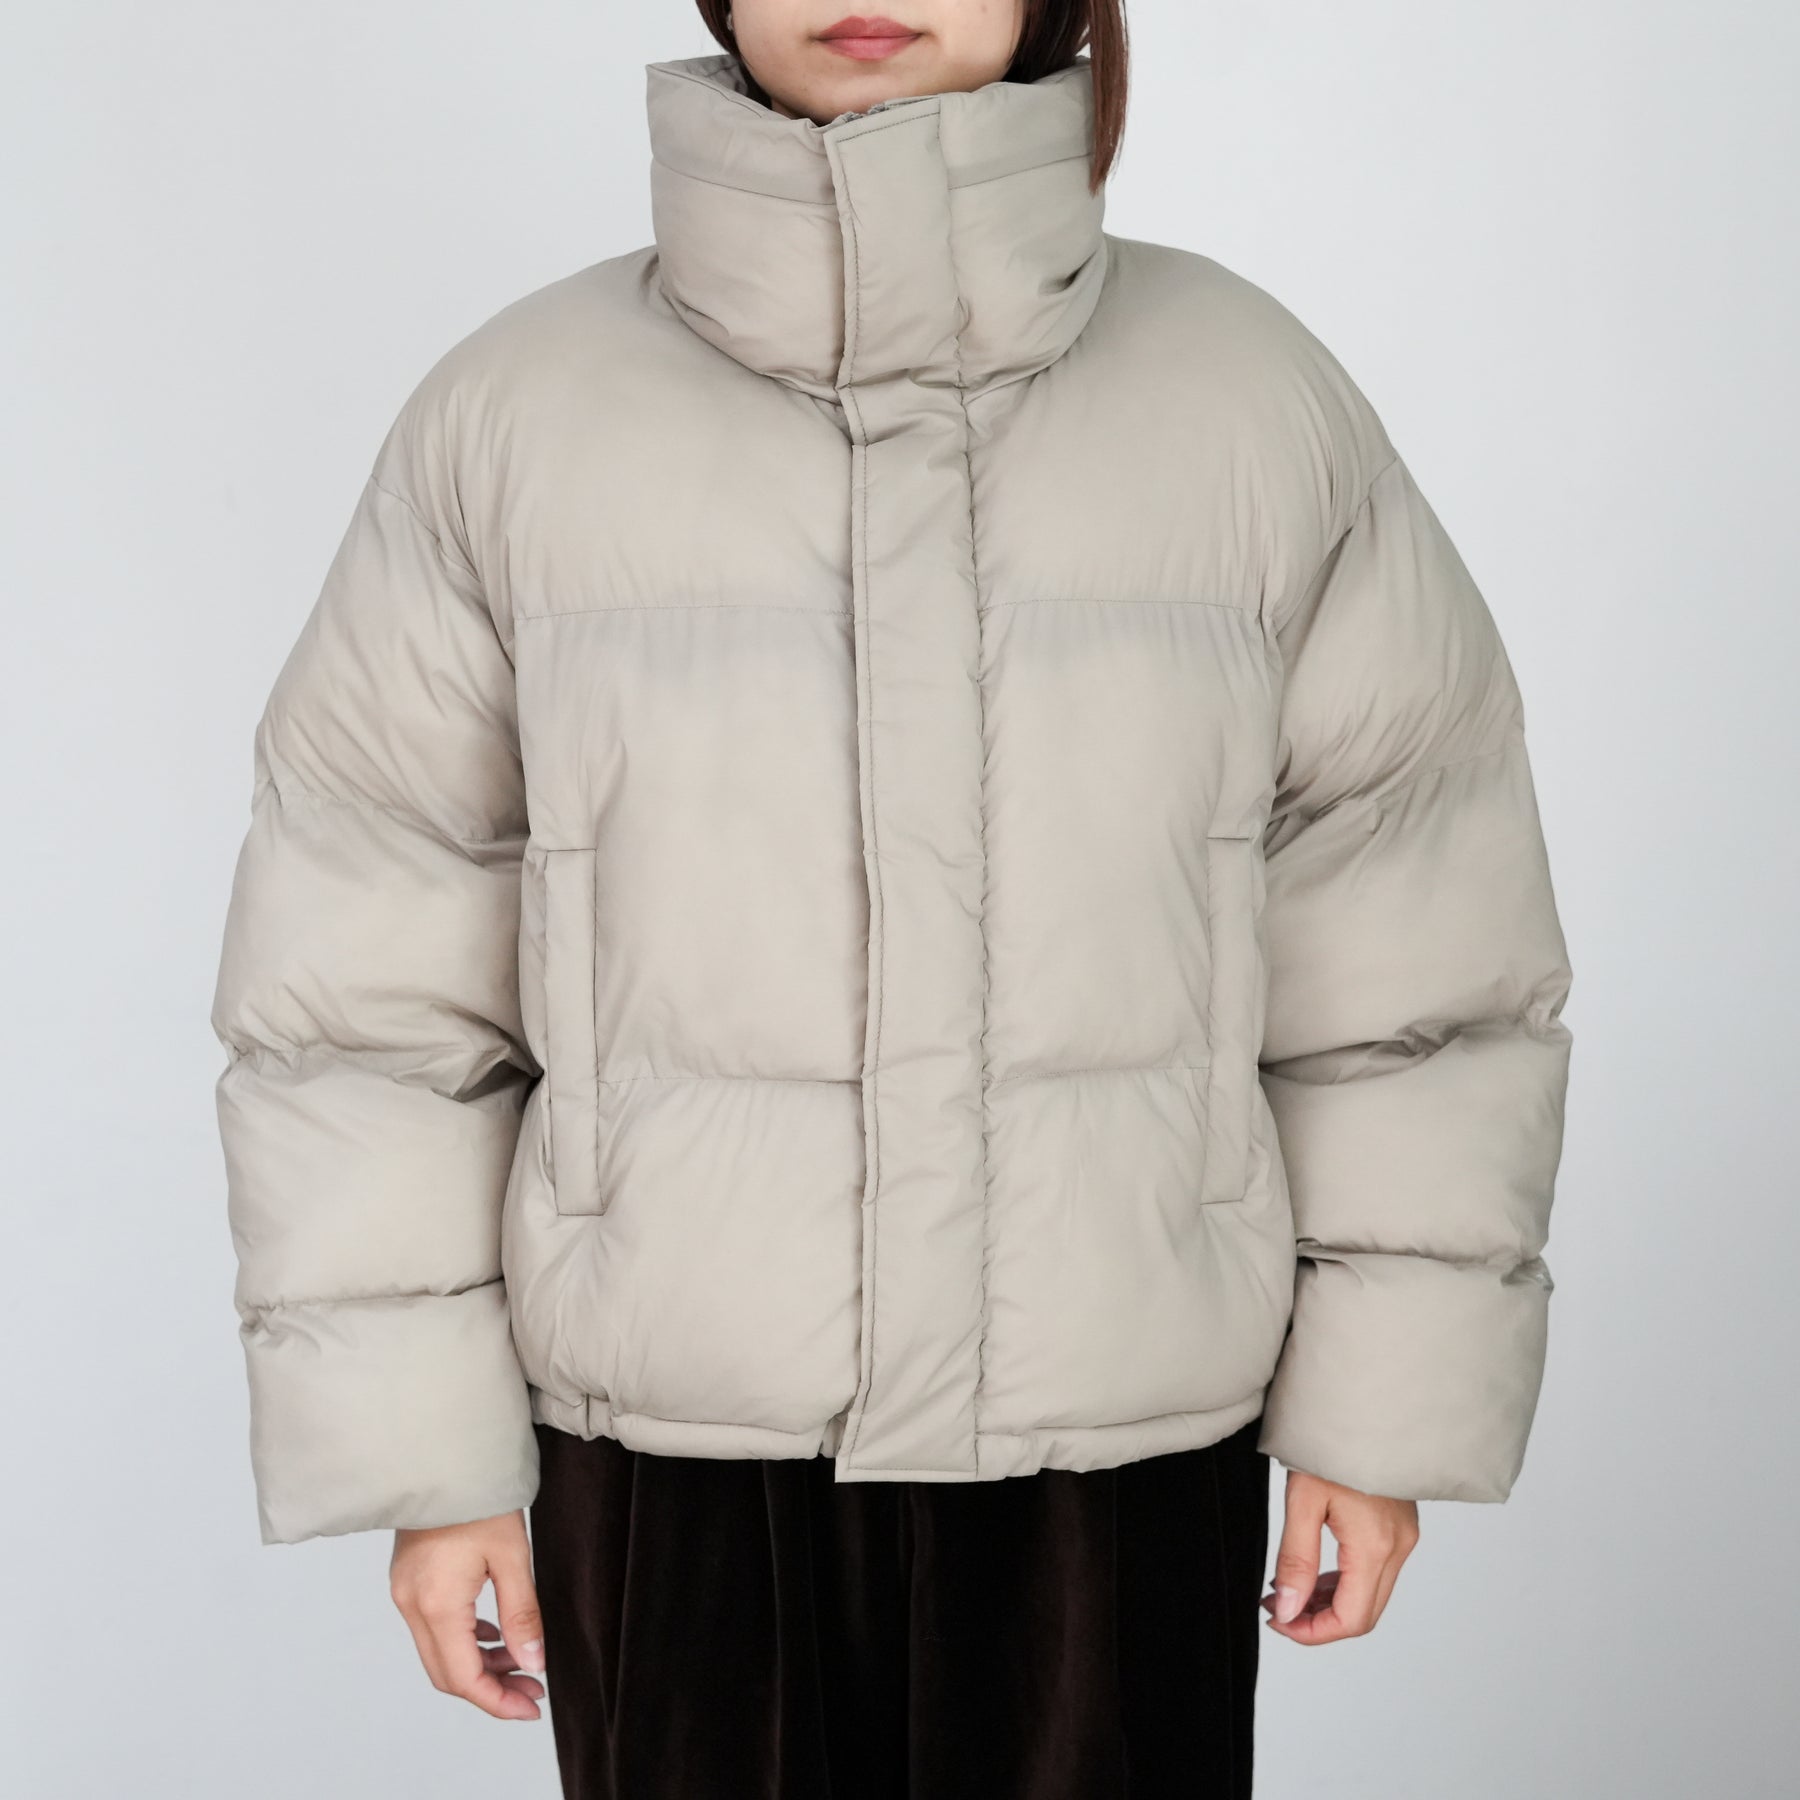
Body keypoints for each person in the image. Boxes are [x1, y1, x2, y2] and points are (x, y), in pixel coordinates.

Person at [209, 3, 1574, 1795]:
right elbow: (364, 989)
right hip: (671, 1464)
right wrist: (425, 1455)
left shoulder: (1249, 405)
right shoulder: (517, 421)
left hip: (1118, 1448)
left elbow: (1415, 955)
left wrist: (1381, 1401)